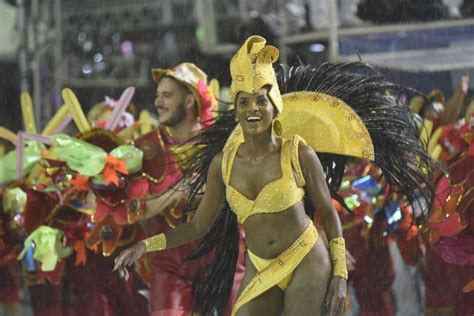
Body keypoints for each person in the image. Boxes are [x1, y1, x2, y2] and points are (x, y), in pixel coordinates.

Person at [114, 35, 435, 316]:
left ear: (275, 105)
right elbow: (199, 225)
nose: (253, 108)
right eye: (244, 102)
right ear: (236, 108)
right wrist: (146, 245)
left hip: (305, 258)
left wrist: (338, 274)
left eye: (261, 100)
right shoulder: (222, 163)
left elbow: (325, 211)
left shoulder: (298, 152)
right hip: (259, 264)